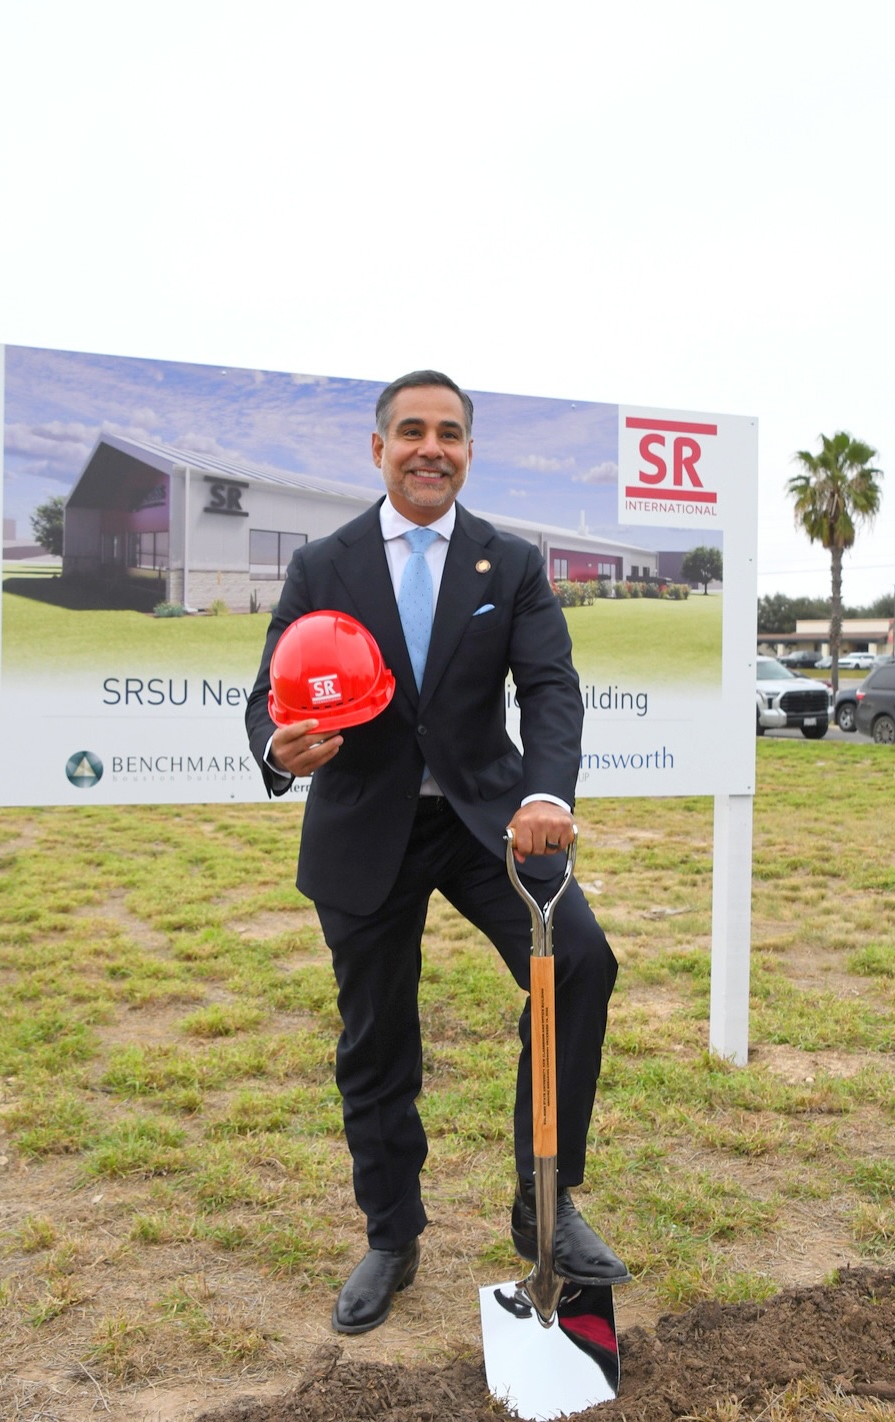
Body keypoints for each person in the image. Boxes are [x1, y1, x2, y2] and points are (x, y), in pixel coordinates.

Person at [245, 370, 628, 1335]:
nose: (430, 448)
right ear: (377, 449)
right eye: (410, 431)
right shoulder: (323, 565)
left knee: (577, 963)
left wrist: (545, 792)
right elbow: (271, 694)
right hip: (365, 823)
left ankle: (543, 1203)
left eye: (448, 434)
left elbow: (550, 688)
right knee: (378, 1037)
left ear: (467, 451)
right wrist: (276, 747)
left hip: (487, 825)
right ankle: (390, 1236)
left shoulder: (510, 560)